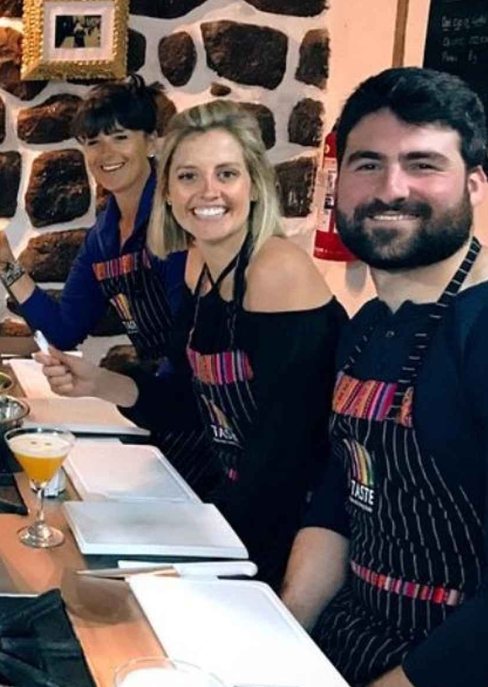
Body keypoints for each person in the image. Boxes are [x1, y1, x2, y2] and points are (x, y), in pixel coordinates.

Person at [279, 69, 488, 687]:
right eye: (368, 163)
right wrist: (284, 626)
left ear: (474, 184)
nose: (391, 188)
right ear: (338, 182)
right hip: (364, 633)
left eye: (423, 163)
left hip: (487, 685)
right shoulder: (370, 323)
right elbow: (343, 492)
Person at [40, 100, 346, 589]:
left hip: (295, 540)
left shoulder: (275, 271)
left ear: (254, 184)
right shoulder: (195, 265)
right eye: (188, 177)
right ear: (168, 191)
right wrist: (98, 382)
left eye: (226, 174)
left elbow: (285, 457)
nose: (208, 192)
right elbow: (186, 404)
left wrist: (190, 554)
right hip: (232, 507)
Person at [0, 77, 218, 491]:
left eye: (120, 137)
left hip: (206, 414)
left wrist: (119, 387)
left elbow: (192, 342)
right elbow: (65, 329)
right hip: (161, 405)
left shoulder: (178, 219)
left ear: (153, 142)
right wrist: (6, 267)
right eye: (92, 142)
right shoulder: (104, 235)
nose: (105, 154)